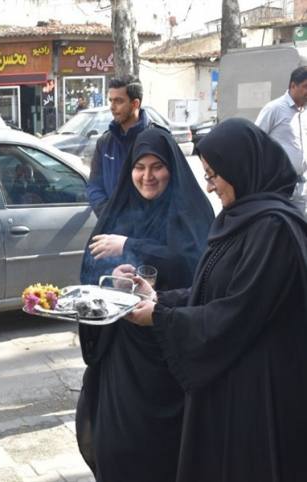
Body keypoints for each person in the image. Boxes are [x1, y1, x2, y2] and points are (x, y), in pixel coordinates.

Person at [127, 118, 307, 481]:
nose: (209, 187)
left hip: (260, 392)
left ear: (240, 168)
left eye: (213, 176)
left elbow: (237, 312)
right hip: (231, 382)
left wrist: (160, 318)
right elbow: (211, 289)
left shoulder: (274, 229)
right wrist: (160, 298)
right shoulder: (241, 219)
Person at [77, 128, 214, 481]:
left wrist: (130, 245)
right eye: (139, 167)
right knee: (117, 445)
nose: (148, 176)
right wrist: (116, 277)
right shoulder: (120, 206)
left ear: (173, 168)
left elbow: (196, 266)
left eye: (157, 167)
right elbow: (93, 272)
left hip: (168, 354)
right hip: (123, 356)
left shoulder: (190, 211)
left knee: (163, 450)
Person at [87, 75, 157, 216]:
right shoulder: (105, 142)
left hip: (148, 230)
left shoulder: (157, 140)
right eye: (111, 101)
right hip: (112, 228)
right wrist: (108, 214)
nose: (112, 107)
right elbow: (94, 185)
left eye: (119, 101)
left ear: (135, 104)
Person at [255, 66, 307, 213]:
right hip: (279, 184)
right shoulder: (274, 109)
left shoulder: (304, 112)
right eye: (305, 87)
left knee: (300, 227)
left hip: (301, 185)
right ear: (292, 86)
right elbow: (256, 140)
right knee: (281, 226)